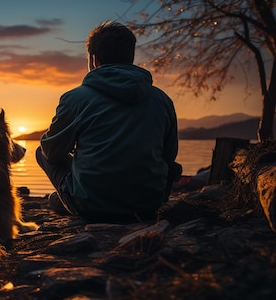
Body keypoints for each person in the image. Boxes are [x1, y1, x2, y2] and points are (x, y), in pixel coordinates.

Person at [36, 21, 181, 224]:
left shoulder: (75, 99)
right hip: (148, 205)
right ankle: (69, 198)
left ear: (94, 60)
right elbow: (169, 155)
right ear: (130, 57)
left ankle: (69, 198)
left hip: (92, 208)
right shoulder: (162, 100)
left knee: (42, 150)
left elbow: (51, 153)